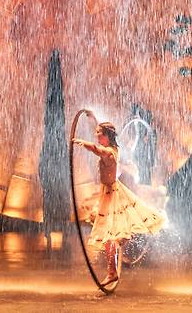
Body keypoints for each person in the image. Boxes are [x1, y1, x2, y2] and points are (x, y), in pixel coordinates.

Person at [73, 121, 165, 286]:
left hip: (111, 193)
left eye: (99, 132)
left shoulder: (109, 152)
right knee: (110, 235)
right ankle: (112, 270)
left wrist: (83, 143)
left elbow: (96, 150)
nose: (96, 135)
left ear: (107, 135)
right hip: (107, 192)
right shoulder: (113, 149)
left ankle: (112, 271)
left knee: (110, 234)